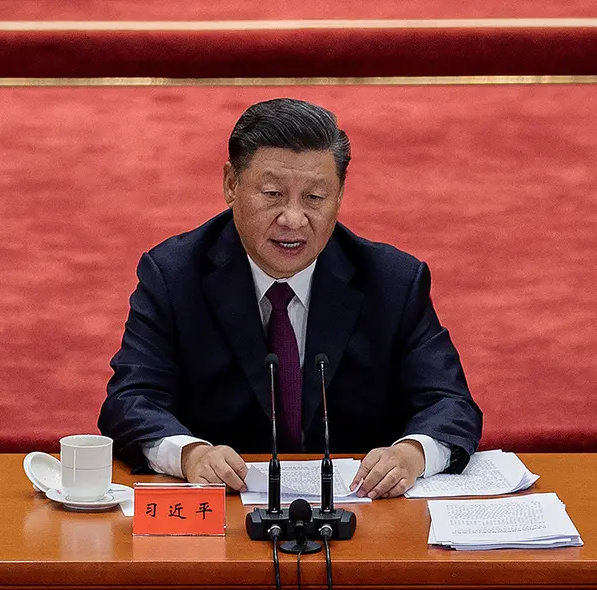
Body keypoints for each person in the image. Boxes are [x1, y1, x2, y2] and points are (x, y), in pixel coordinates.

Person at [98, 98, 482, 499]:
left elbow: (451, 404)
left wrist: (412, 454)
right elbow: (130, 401)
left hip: (361, 514)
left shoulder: (393, 281)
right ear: (231, 184)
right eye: (273, 194)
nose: (293, 219)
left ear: (340, 195)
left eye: (314, 198)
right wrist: (189, 454)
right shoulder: (174, 275)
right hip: (224, 515)